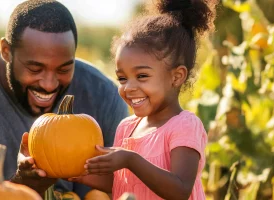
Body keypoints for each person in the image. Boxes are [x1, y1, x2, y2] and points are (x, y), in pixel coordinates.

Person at [0, 0, 128, 198]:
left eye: (64, 69)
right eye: (35, 68)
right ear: (6, 51)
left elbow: (128, 189)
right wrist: (24, 184)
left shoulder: (103, 94)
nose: (49, 84)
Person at [66, 0, 216, 199]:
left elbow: (180, 189)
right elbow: (124, 183)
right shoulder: (126, 128)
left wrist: (131, 160)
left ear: (177, 76)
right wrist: (83, 175)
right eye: (122, 78)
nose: (129, 87)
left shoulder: (184, 126)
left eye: (142, 76)